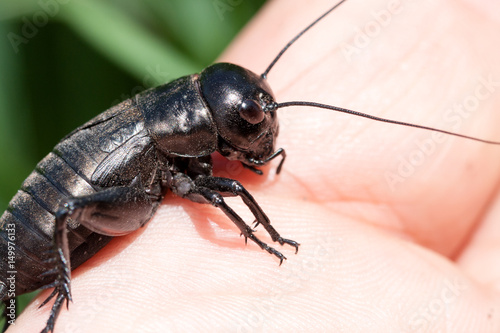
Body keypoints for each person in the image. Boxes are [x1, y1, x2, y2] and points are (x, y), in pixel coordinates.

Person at [12, 0, 500, 331]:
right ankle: (59, 305)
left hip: (62, 195)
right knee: (68, 210)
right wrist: (267, 238)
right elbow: (234, 191)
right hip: (36, 235)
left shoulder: (177, 122)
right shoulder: (175, 147)